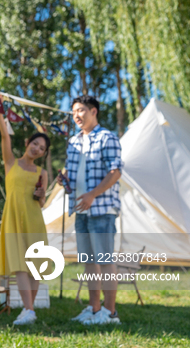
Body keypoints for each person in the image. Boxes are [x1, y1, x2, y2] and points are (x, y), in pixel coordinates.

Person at [60, 94, 123, 325]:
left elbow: (115, 172)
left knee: (105, 260)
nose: (76, 115)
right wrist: (63, 179)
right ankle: (94, 309)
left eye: (81, 110)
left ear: (93, 111)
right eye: (74, 111)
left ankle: (110, 313)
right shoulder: (74, 142)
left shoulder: (107, 138)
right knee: (89, 262)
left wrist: (92, 195)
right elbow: (72, 174)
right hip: (80, 210)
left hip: (101, 209)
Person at [0, 90, 50, 326]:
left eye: (42, 148)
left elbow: (43, 201)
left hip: (34, 219)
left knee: (35, 268)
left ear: (43, 154)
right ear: (27, 143)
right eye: (35, 143)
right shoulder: (11, 163)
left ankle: (29, 310)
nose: (37, 148)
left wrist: (40, 195)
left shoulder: (42, 173)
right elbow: (5, 137)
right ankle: (28, 310)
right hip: (14, 219)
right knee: (20, 267)